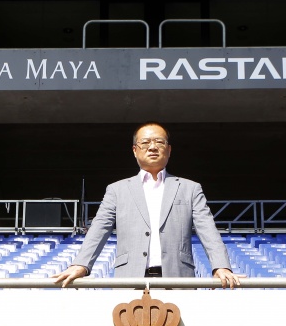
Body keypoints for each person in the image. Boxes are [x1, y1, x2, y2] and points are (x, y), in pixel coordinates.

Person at [52, 121, 241, 289]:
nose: (152, 147)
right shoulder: (116, 190)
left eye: (159, 142)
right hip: (129, 280)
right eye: (145, 142)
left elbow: (207, 229)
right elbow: (99, 228)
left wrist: (221, 266)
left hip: (178, 280)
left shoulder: (190, 188)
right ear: (135, 150)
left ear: (169, 150)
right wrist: (81, 264)